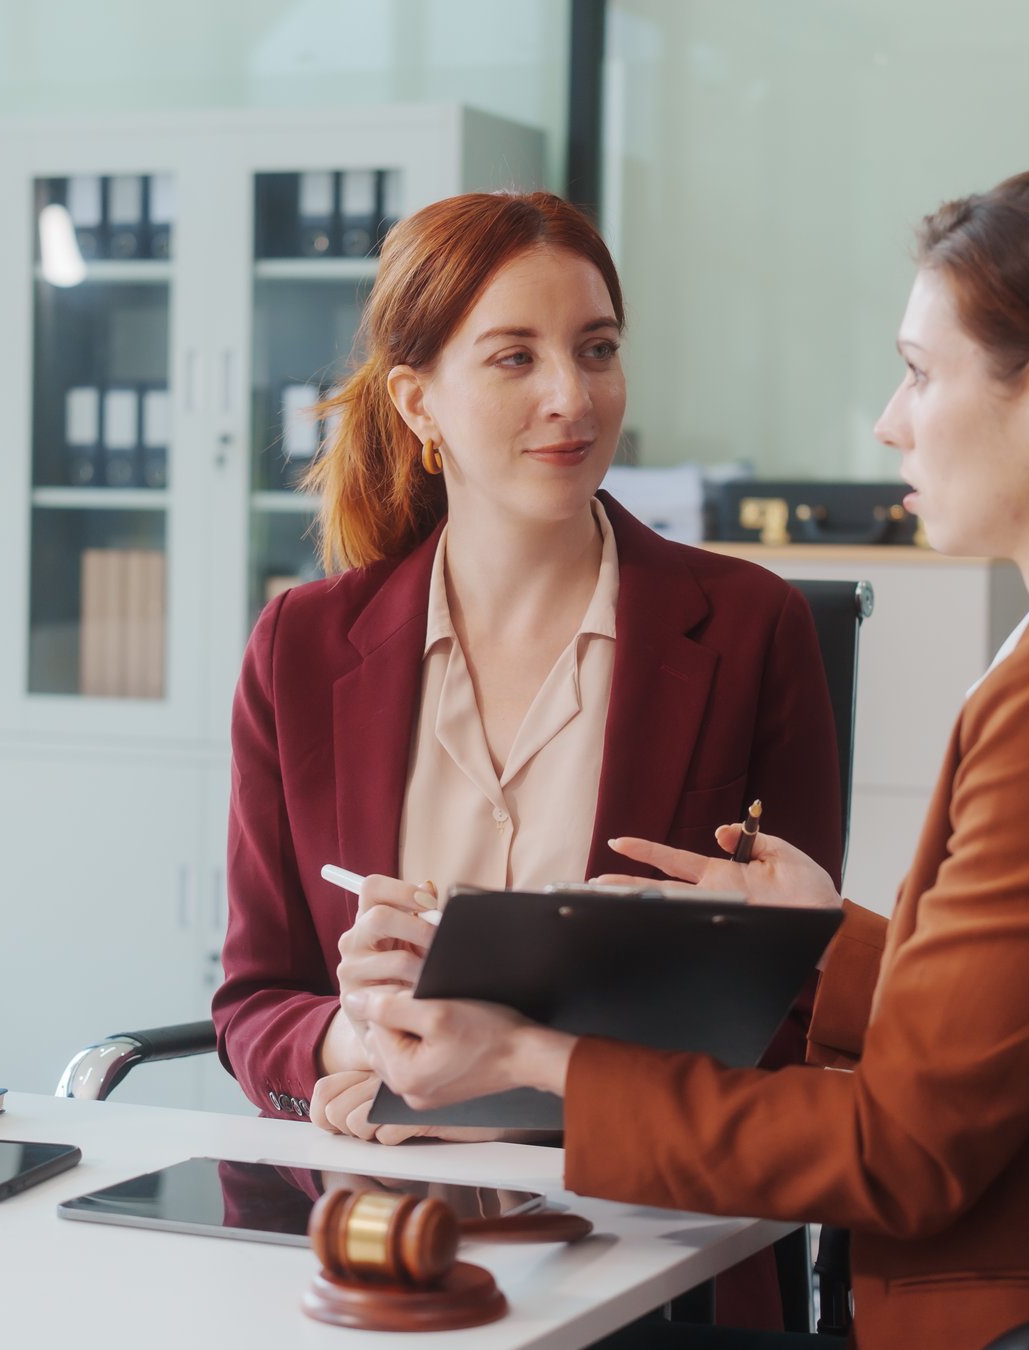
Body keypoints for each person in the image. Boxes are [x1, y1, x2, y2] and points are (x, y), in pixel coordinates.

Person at [353, 164, 1029, 1349]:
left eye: (922, 373)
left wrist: (535, 1055)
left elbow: (904, 1149)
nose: (891, 419)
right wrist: (820, 944)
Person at [210, 192, 844, 1324]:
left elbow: (790, 1010)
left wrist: (526, 1082)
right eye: (515, 357)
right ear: (419, 403)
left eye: (597, 350)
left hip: (653, 1245)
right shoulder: (300, 650)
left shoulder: (749, 628)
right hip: (381, 1239)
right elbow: (255, 999)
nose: (573, 396)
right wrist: (357, 1036)